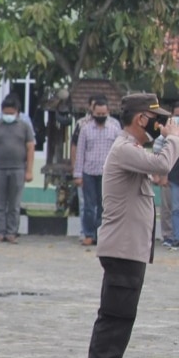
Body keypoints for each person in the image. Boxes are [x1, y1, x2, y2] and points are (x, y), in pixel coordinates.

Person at [82, 93, 179, 358]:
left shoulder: (131, 149)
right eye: (157, 119)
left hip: (128, 251)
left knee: (119, 316)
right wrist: (174, 138)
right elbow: (162, 164)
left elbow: (157, 170)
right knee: (115, 317)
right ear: (141, 119)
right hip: (123, 251)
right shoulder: (124, 148)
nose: (161, 125)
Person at [0, 95, 34, 243]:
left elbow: (30, 148)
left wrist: (29, 170)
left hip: (18, 169)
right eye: (6, 113)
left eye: (11, 113)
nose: (8, 116)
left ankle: (12, 232)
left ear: (17, 112)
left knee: (14, 204)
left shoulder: (25, 127)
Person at [72, 96, 119, 247]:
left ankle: (102, 236)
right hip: (89, 173)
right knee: (89, 206)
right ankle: (89, 234)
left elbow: (118, 153)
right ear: (92, 112)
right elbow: (80, 153)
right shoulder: (85, 129)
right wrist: (77, 175)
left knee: (104, 207)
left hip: (107, 174)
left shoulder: (114, 129)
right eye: (97, 114)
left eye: (103, 114)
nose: (100, 117)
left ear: (108, 111)